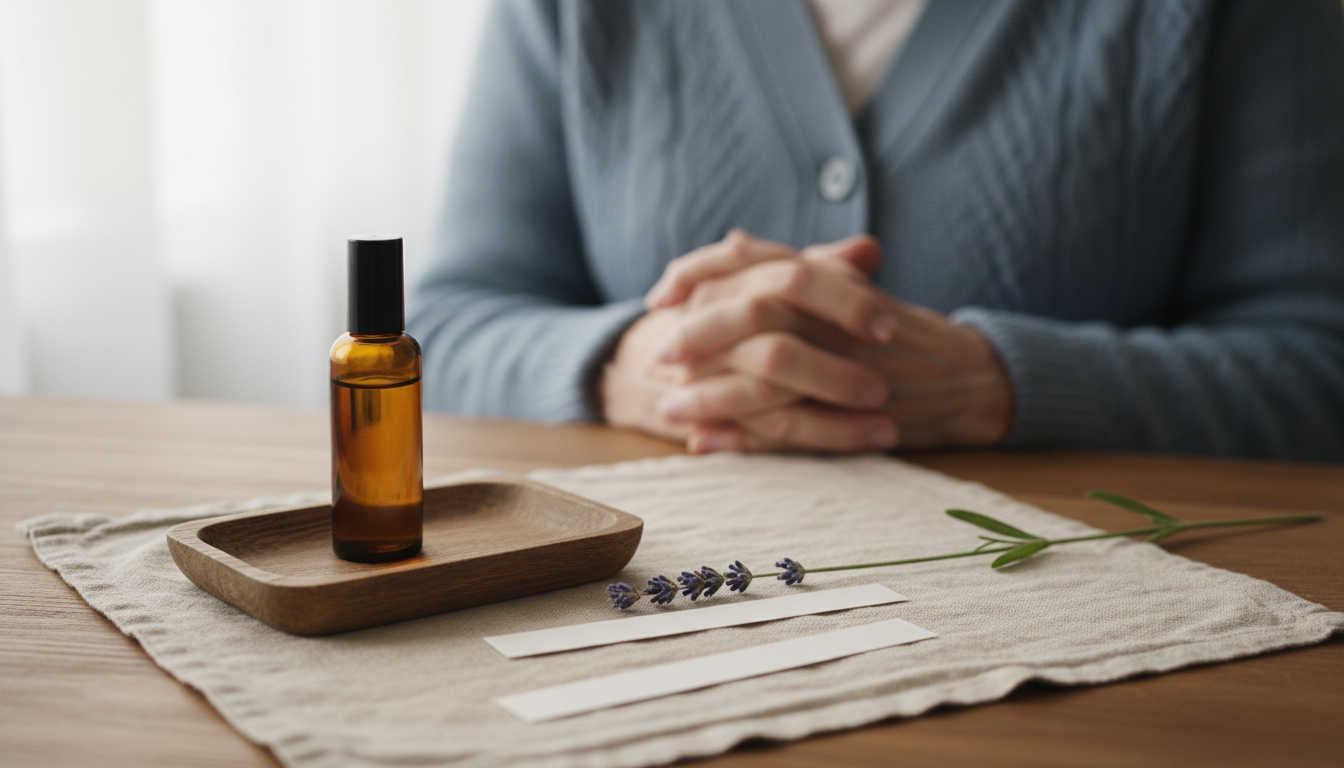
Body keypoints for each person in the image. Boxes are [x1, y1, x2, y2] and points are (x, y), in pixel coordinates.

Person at [409, 0, 1344, 462]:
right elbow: (444, 331)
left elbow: (1316, 369)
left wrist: (1001, 388)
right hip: (653, 621)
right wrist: (639, 365)